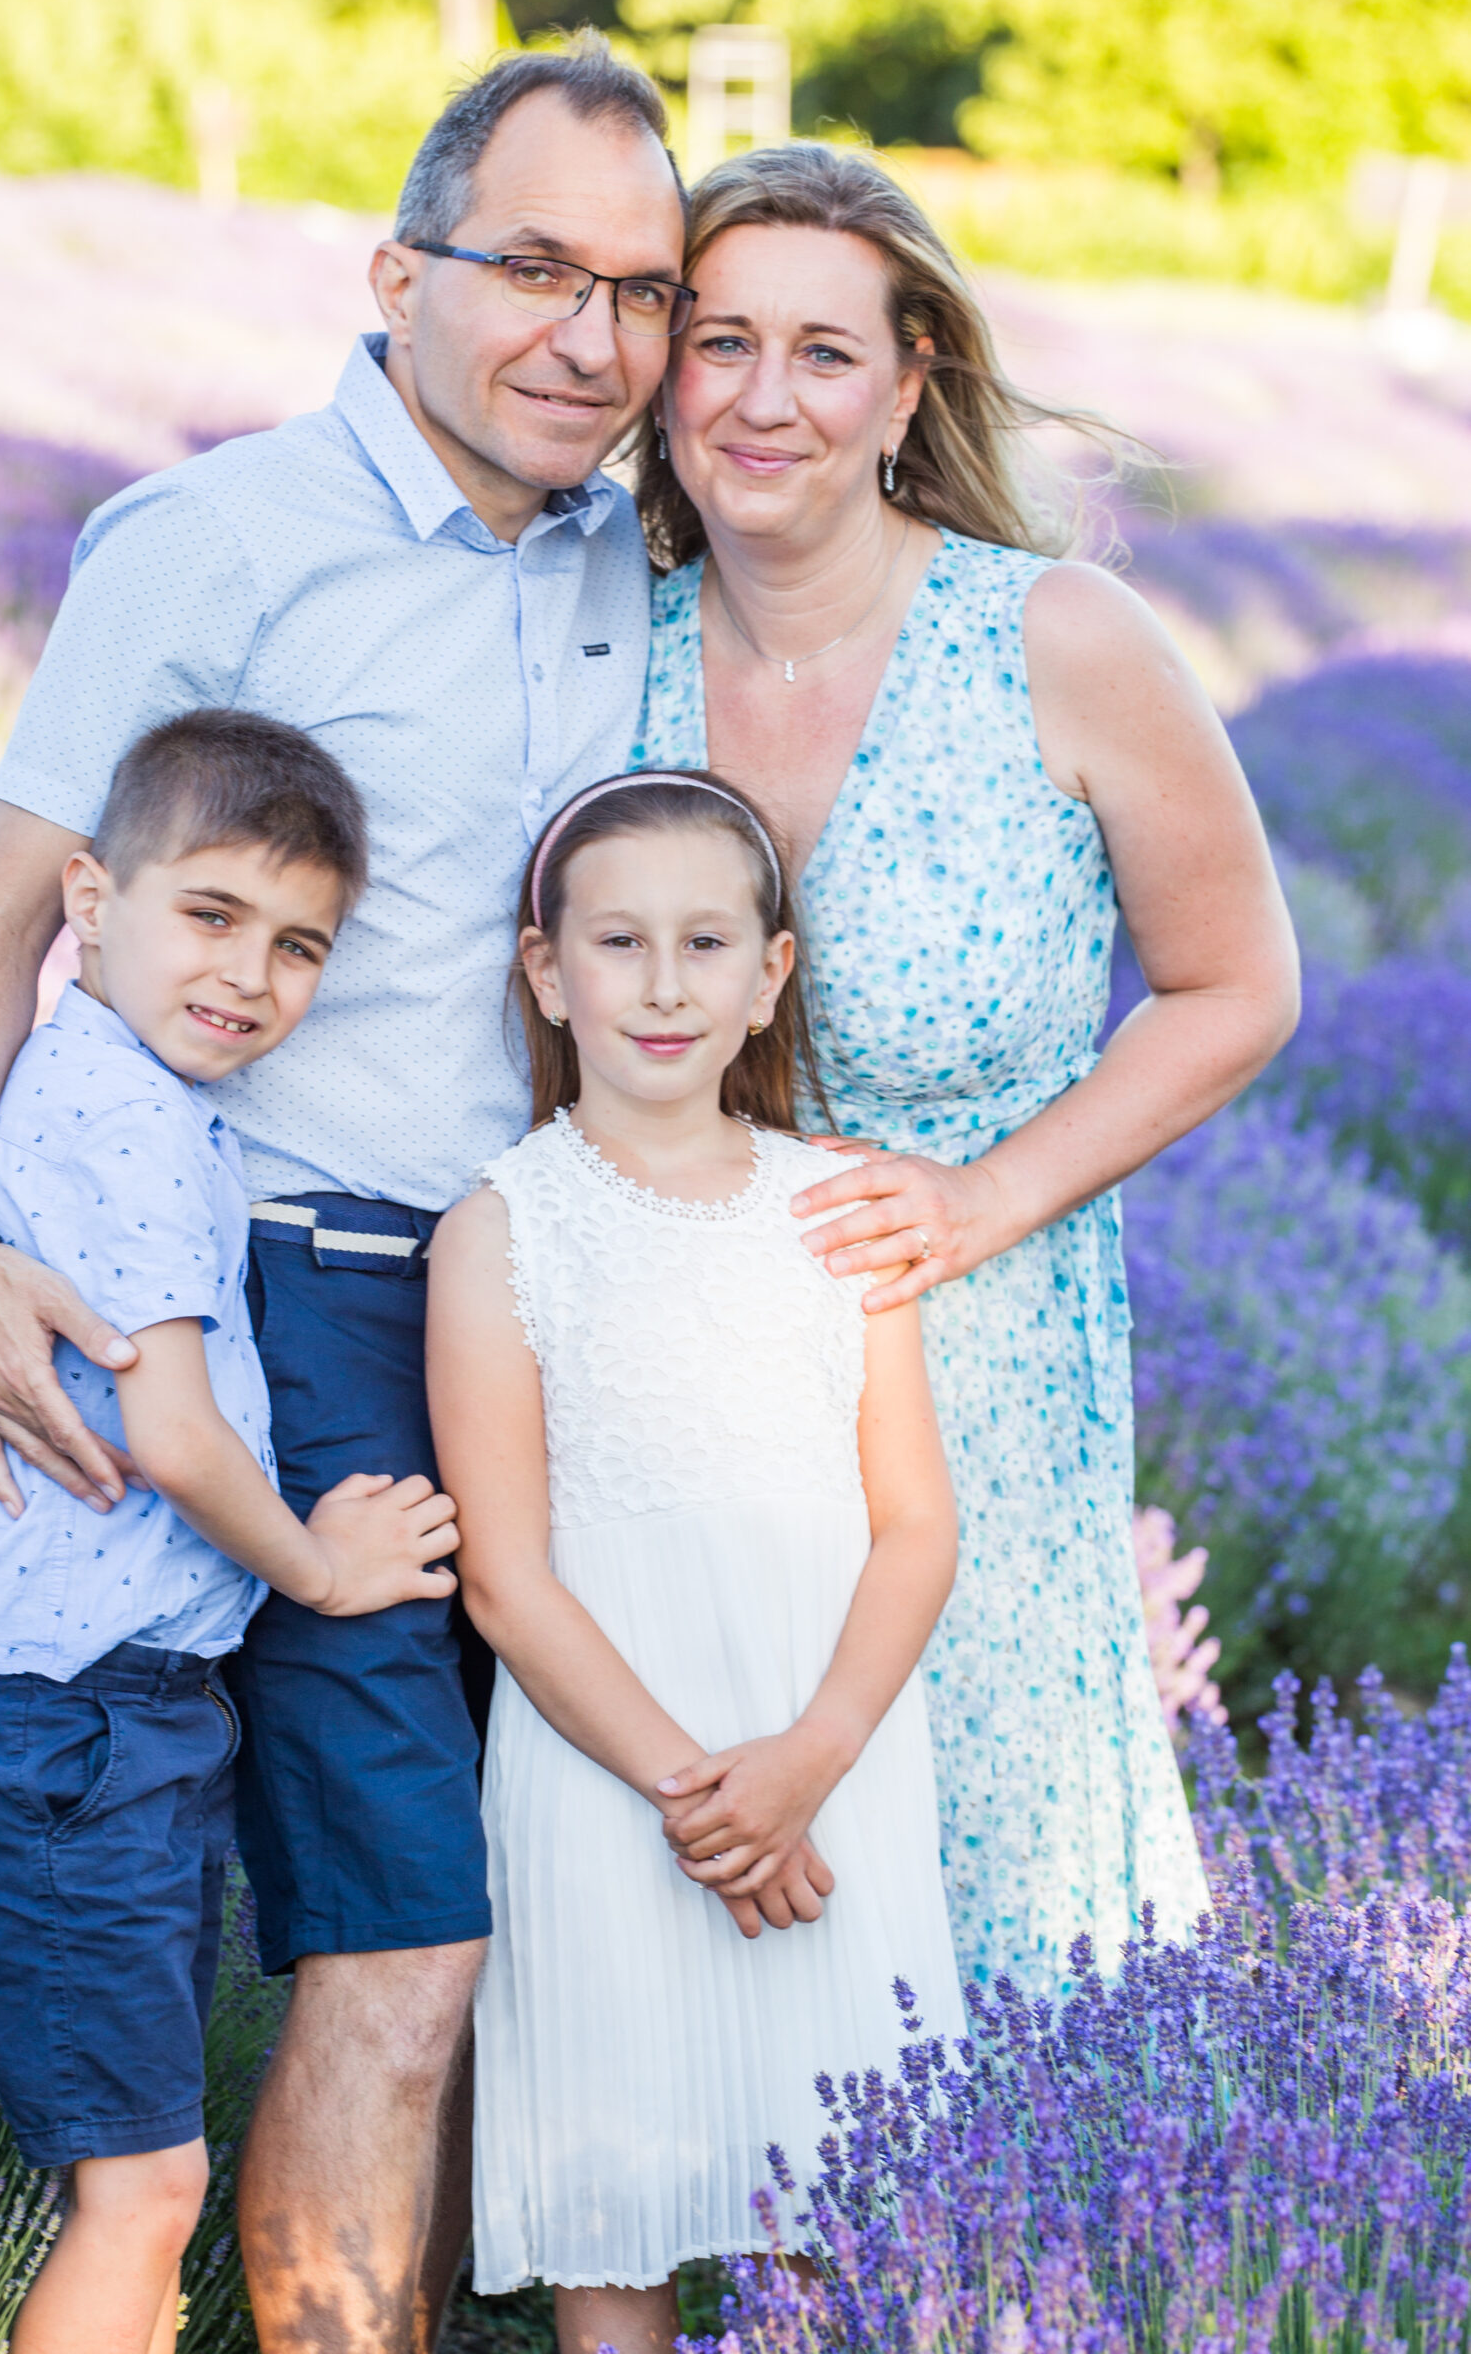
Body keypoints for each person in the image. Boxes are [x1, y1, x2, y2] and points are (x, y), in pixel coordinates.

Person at [0, 34, 691, 2354]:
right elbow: (0, 905)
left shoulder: (628, 557)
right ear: (396, 273)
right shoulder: (221, 541)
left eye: (639, 291)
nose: (590, 337)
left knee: (550, 1916)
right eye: (533, 267)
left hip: (560, 1301)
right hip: (303, 1293)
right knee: (398, 1934)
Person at [633, 143, 1301, 1998]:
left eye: (825, 353)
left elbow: (1237, 985)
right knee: (692, 1932)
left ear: (911, 382)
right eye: (719, 340)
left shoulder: (1055, 638)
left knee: (995, 1936)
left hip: (981, 1381)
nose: (763, 398)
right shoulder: (596, 639)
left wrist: (987, 1197)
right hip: (660, 1394)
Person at [0, 712, 462, 2354]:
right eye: (211, 915)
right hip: (67, 1731)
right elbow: (175, 1436)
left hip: (106, 1724)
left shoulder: (126, 1088)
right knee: (141, 2192)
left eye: (298, 945)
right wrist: (322, 1566)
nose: (249, 975)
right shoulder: (123, 1116)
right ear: (89, 898)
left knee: (145, 2179)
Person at [426, 772, 967, 2354]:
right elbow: (508, 1579)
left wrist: (806, 1762)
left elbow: (917, 1527)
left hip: (831, 1762)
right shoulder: (501, 1228)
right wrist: (702, 1799)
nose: (664, 984)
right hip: (614, 1771)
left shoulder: (837, 1212)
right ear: (547, 973)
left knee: (837, 2216)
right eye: (620, 942)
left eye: (707, 942)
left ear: (769, 975)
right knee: (624, 2202)